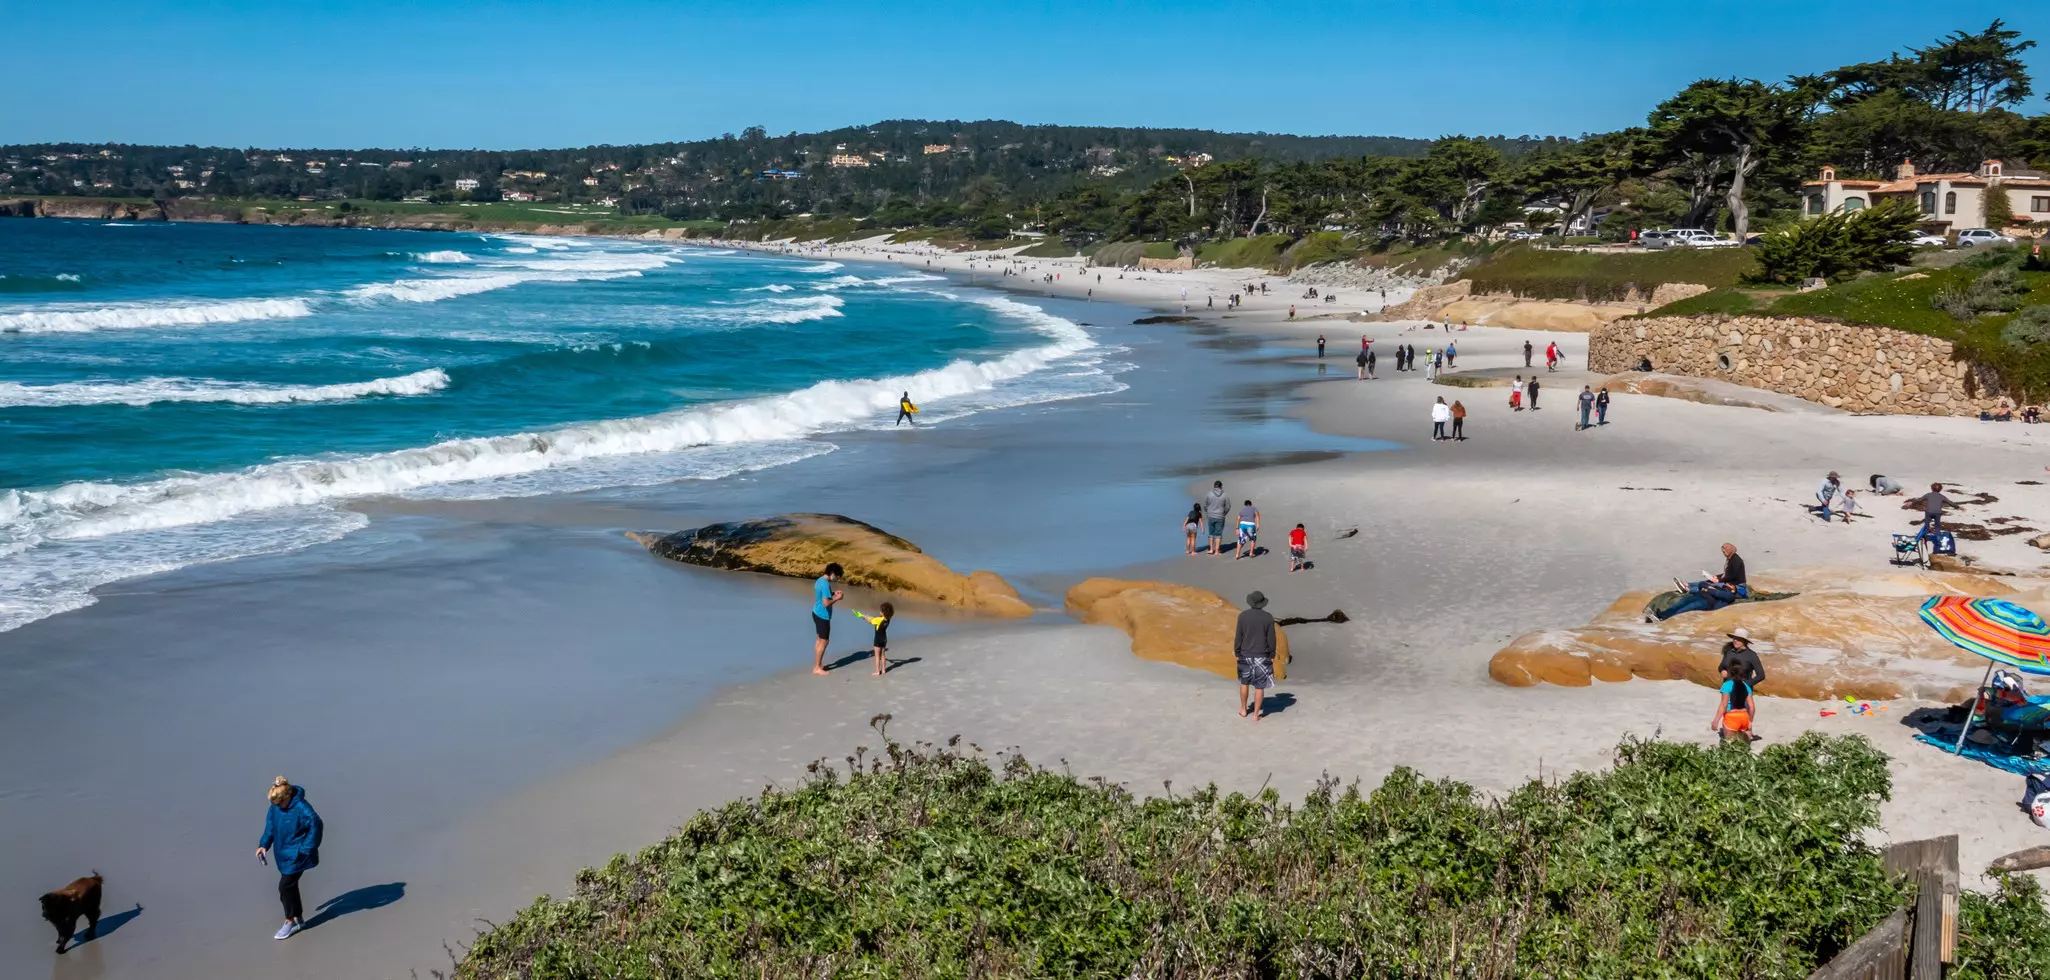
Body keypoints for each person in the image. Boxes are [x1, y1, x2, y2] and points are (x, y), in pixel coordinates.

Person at [256, 776, 323, 941]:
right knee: (291, 886)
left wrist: (305, 849)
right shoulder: (275, 807)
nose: (277, 806)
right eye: (275, 804)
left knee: (285, 887)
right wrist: (264, 844)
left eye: (280, 803)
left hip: (297, 855)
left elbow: (316, 825)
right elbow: (270, 827)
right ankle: (299, 919)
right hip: (282, 853)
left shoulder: (302, 808)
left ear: (287, 797)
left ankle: (290, 921)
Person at [1656, 543, 1748, 620]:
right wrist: (1714, 580)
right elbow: (1704, 584)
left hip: (1707, 601)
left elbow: (1727, 582)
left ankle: (1687, 590)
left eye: (1724, 551)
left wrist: (1711, 587)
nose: (1723, 553)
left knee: (1684, 609)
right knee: (1682, 602)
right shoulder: (1725, 583)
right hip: (1701, 595)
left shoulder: (1729, 594)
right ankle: (1662, 614)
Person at [1234, 591, 1278, 721]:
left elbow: (1239, 636)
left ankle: (1243, 709)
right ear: (1262, 603)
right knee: (1260, 686)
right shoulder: (1268, 617)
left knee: (1244, 683)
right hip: (1262, 655)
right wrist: (1272, 653)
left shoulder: (1243, 616)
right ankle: (1256, 714)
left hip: (1245, 654)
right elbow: (1271, 639)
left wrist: (1237, 652)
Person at [1713, 655, 1758, 745]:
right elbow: (1752, 707)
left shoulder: (1726, 685)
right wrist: (1750, 722)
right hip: (1744, 717)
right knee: (1745, 744)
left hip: (1731, 717)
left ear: (1729, 672)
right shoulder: (1746, 686)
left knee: (1730, 745)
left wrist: (1716, 721)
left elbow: (1724, 705)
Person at [811, 563, 844, 675]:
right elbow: (826, 603)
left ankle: (818, 664)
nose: (837, 579)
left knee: (819, 639)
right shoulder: (825, 584)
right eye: (837, 576)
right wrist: (837, 598)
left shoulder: (820, 580)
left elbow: (822, 595)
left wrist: (833, 593)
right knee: (824, 641)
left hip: (816, 612)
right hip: (822, 615)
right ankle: (817, 667)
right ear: (833, 573)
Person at [855, 602, 894, 676]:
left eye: (880, 611)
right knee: (882, 655)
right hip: (884, 639)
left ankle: (877, 671)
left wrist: (862, 616)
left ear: (883, 612)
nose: (879, 612)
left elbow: (871, 621)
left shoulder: (879, 620)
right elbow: (875, 618)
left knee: (877, 656)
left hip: (878, 639)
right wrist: (866, 615)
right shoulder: (888, 619)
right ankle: (883, 670)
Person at [1203, 481, 1231, 555]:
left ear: (1214, 486)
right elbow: (1228, 506)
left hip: (1211, 515)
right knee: (1218, 533)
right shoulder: (1225, 495)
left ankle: (1211, 549)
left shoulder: (1209, 494)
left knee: (1211, 533)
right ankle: (1217, 551)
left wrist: (1208, 512)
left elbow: (1205, 505)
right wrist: (1224, 513)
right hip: (1220, 516)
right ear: (1221, 486)